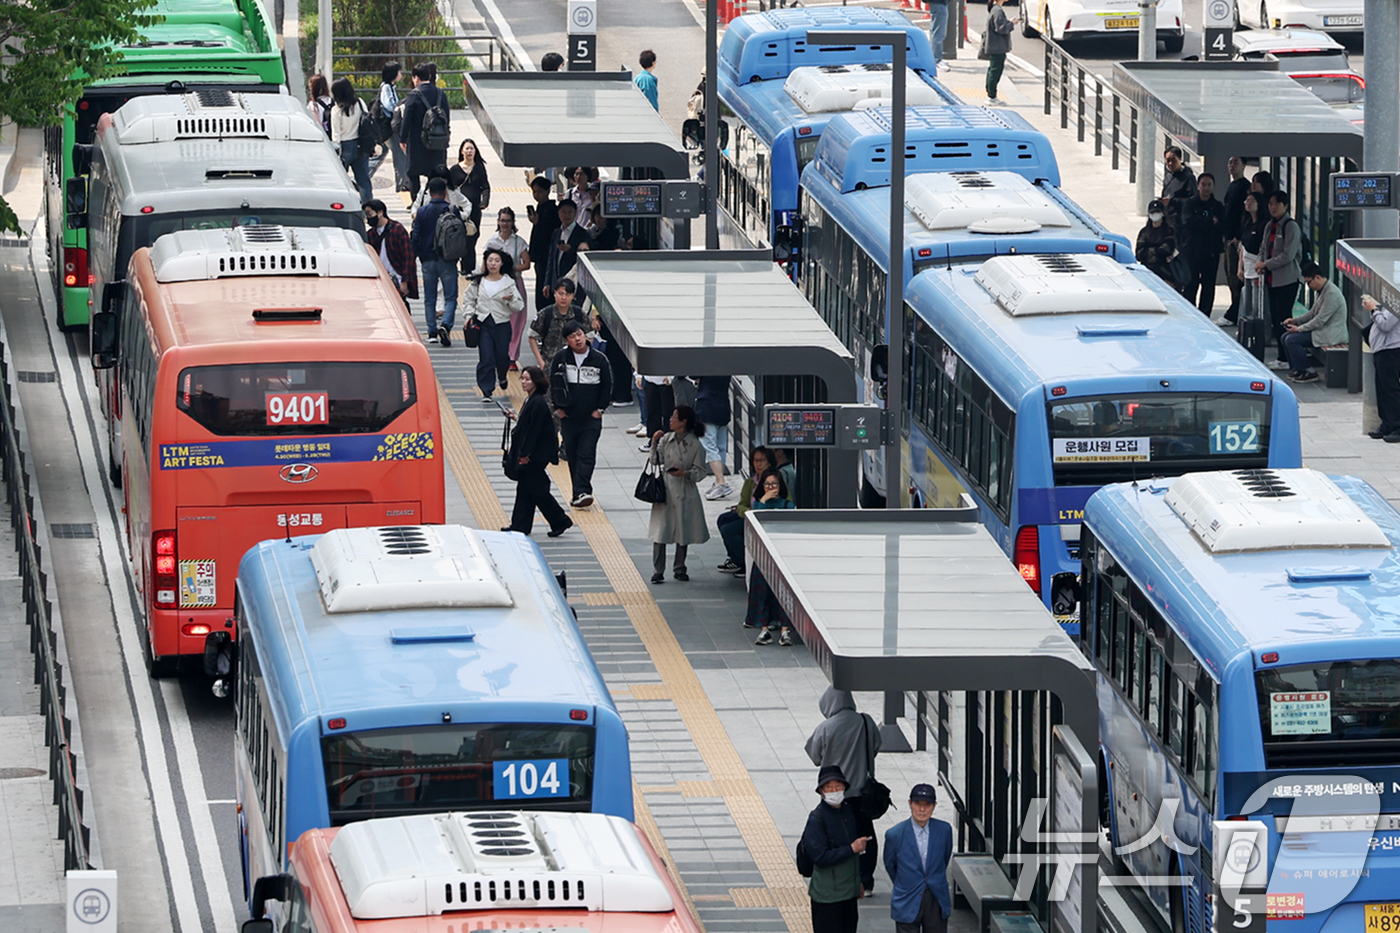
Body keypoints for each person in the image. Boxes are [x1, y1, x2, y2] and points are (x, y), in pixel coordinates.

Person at [806, 688, 882, 894]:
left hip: (835, 792)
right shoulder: (866, 721)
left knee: (837, 835)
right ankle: (866, 881)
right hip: (862, 793)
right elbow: (876, 746)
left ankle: (843, 877)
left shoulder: (825, 728)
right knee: (866, 835)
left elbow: (814, 757)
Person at [504, 366, 572, 537]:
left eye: (527, 379)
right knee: (527, 488)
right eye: (522, 379)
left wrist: (524, 454)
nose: (523, 382)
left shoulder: (538, 402)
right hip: (534, 453)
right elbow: (528, 424)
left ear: (536, 381)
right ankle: (521, 525)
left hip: (536, 454)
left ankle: (560, 520)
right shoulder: (532, 400)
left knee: (536, 489)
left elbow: (533, 431)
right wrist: (515, 417)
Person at [550, 321, 611, 508]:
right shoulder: (561, 358)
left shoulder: (599, 359)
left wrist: (600, 410)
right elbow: (553, 383)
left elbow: (607, 385)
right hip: (568, 417)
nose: (577, 339)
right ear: (566, 340)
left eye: (579, 334)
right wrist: (558, 408)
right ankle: (578, 493)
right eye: (572, 336)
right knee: (572, 455)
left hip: (590, 419)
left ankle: (583, 491)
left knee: (586, 454)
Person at [647, 405, 709, 584]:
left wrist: (685, 473)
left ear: (683, 422)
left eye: (674, 417)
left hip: (684, 490)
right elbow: (655, 460)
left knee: (683, 530)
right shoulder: (667, 439)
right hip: (665, 489)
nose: (670, 420)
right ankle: (658, 570)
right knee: (660, 531)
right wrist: (654, 443)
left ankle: (680, 567)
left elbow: (701, 471)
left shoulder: (695, 444)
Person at [801, 766, 867, 933]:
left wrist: (857, 882)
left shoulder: (848, 812)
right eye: (829, 787)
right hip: (827, 896)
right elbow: (820, 857)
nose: (834, 791)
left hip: (848, 893)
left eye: (838, 786)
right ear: (821, 791)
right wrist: (851, 849)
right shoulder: (817, 819)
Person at [884, 785, 954, 933]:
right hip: (907, 897)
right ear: (910, 803)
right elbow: (890, 865)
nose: (922, 809)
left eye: (927, 805)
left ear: (934, 806)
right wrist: (905, 882)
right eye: (918, 804)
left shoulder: (944, 830)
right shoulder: (895, 834)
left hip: (936, 897)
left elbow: (944, 858)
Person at [465, 248, 524, 399]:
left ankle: (502, 375)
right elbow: (468, 299)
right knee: (486, 358)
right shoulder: (478, 282)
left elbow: (519, 306)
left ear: (502, 263)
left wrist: (511, 300)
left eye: (497, 261)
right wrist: (468, 315)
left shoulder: (508, 283)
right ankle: (486, 390)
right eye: (490, 260)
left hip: (502, 324)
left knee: (502, 356)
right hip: (483, 323)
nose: (493, 264)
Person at [747, 470, 798, 646]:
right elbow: (756, 519)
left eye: (774, 484)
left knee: (784, 592)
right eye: (767, 484)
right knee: (762, 592)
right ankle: (764, 629)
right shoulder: (759, 504)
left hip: (782, 554)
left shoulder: (787, 505)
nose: (771, 487)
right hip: (763, 555)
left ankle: (785, 630)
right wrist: (763, 500)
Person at [1255, 189, 1303, 371]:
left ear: (1285, 205)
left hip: (1287, 280)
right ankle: (1282, 356)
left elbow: (1288, 255)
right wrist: (1260, 262)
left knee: (1284, 317)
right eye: (1270, 204)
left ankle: (1286, 356)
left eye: (1276, 203)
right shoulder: (1270, 225)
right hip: (1271, 279)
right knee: (1275, 317)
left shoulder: (1291, 226)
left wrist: (1266, 264)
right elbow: (1263, 247)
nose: (1272, 207)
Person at [1282, 261, 1347, 383]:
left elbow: (1320, 320)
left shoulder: (1332, 294)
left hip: (1330, 334)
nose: (1309, 286)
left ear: (1317, 277)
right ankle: (1299, 369)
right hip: (1322, 330)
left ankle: (1309, 371)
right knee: (1285, 337)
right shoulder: (1322, 290)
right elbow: (1312, 313)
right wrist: (1295, 321)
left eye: (1308, 282)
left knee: (1291, 340)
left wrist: (1299, 329)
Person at [717, 446, 778, 576]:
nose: (758, 464)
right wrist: (745, 510)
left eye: (762, 460)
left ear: (769, 462)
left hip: (764, 518)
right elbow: (742, 504)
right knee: (723, 519)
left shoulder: (775, 481)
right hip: (749, 515)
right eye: (755, 461)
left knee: (729, 530)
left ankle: (744, 562)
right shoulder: (750, 482)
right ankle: (734, 559)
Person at [412, 176, 457, 346]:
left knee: (429, 297)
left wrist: (414, 256)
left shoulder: (422, 211)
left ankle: (432, 331)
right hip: (448, 259)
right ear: (445, 192)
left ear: (430, 192)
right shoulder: (451, 210)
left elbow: (416, 236)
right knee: (450, 296)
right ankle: (445, 325)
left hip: (427, 259)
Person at [485, 207, 531, 365]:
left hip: (514, 283)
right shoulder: (492, 241)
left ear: (513, 222)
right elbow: (485, 263)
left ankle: (512, 356)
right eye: (502, 220)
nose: (505, 224)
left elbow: (527, 264)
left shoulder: (519, 242)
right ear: (498, 221)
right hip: (496, 283)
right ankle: (497, 352)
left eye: (508, 221)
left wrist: (512, 269)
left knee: (517, 321)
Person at [401, 61, 450, 201]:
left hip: (417, 143)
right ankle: (431, 199)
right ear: (429, 76)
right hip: (437, 142)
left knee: (413, 173)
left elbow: (407, 120)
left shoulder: (413, 95)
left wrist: (403, 139)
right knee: (434, 173)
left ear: (415, 78)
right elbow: (447, 118)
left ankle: (417, 200)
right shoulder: (441, 94)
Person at [1177, 172, 1224, 315]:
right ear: (1198, 186)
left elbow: (1221, 225)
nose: (1206, 188)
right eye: (1203, 185)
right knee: (1191, 285)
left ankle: (1205, 315)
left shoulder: (1217, 206)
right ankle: (1190, 314)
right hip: (1192, 251)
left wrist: (1202, 222)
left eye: (1209, 185)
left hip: (1211, 253)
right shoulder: (1189, 203)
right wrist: (1209, 221)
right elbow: (1188, 222)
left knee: (1208, 286)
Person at [364, 199, 416, 309]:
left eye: (370, 214)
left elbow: (408, 256)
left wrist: (405, 281)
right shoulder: (370, 235)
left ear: (380, 212)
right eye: (367, 215)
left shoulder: (397, 230)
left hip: (397, 278)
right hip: (379, 279)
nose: (369, 218)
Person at [329, 78, 373, 206]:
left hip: (344, 146)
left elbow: (336, 135)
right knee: (363, 180)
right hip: (361, 144)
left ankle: (343, 204)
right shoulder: (360, 103)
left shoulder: (336, 110)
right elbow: (367, 119)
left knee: (341, 180)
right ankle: (368, 208)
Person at [449, 138, 489, 275]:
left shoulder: (479, 168)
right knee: (459, 237)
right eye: (467, 148)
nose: (469, 151)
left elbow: (485, 186)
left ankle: (468, 267)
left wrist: (484, 201)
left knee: (473, 236)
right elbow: (449, 190)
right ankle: (462, 265)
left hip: (475, 211)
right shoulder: (455, 170)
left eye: (472, 148)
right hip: (459, 211)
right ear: (462, 151)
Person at [1364, 295, 1400, 441]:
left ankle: (1397, 426)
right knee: (1382, 389)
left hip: (1390, 349)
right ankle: (1387, 424)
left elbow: (1386, 324)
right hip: (1383, 349)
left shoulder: (1397, 302)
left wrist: (1373, 310)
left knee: (1390, 389)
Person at [531, 280, 588, 371]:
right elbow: (532, 336)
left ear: (573, 296)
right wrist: (541, 362)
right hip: (550, 366)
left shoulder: (579, 314)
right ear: (555, 293)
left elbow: (590, 336)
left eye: (567, 294)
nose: (564, 298)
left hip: (575, 366)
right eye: (561, 294)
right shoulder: (545, 314)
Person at [369, 62, 408, 192]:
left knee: (381, 153)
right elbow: (389, 105)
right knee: (400, 155)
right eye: (399, 72)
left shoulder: (388, 87)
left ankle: (362, 177)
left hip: (386, 128)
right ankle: (402, 184)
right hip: (388, 127)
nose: (401, 74)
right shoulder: (386, 88)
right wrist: (399, 108)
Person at [1220, 156, 1251, 324]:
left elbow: (1243, 215)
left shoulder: (1245, 187)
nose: (1232, 165)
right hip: (1228, 237)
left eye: (1236, 162)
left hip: (1235, 239)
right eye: (1230, 162)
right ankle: (1235, 309)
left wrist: (1238, 237)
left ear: (1244, 166)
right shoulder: (1232, 186)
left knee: (1236, 275)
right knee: (1229, 273)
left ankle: (1237, 312)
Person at [693, 375, 733, 499]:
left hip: (706, 406)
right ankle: (718, 481)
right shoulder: (726, 366)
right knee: (721, 447)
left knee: (709, 447)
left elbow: (693, 375)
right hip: (723, 405)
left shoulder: (705, 365)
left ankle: (721, 482)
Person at [543, 199, 590, 301]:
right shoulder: (557, 232)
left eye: (570, 212)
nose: (566, 215)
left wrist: (570, 250)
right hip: (556, 281)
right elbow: (551, 259)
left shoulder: (582, 234)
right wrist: (547, 282)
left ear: (575, 213)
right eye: (563, 212)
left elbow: (585, 257)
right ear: (559, 213)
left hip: (574, 281)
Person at [527, 177, 562, 310]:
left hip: (546, 255)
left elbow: (549, 231)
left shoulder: (551, 209)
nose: (537, 195)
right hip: (540, 256)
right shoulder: (541, 207)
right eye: (534, 192)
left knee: (544, 284)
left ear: (547, 191)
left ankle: (544, 310)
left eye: (540, 191)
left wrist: (538, 223)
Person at [1236, 191, 1267, 323]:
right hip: (1247, 269)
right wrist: (1240, 267)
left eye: (1252, 201)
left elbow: (1263, 248)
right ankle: (1247, 329)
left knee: (1257, 305)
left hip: (1257, 268)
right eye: (1247, 201)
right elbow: (1242, 246)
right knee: (1246, 303)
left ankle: (1258, 330)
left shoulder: (1264, 225)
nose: (1248, 203)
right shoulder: (1247, 223)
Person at [1134, 198, 1177, 288]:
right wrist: (1156, 252)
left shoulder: (1169, 231)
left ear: (1163, 213)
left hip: (1165, 273)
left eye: (1157, 212)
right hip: (1146, 272)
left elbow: (1167, 250)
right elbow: (1139, 254)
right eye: (1153, 212)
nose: (1155, 214)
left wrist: (1149, 252)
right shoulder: (1144, 232)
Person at [983, 0, 1014, 105]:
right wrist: (1011, 24)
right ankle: (991, 96)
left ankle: (991, 95)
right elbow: (1001, 28)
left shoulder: (995, 9)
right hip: (997, 46)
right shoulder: (997, 11)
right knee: (995, 71)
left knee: (993, 70)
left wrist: (1009, 22)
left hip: (995, 46)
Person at [1160, 147, 1196, 234]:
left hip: (1182, 224)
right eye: (1168, 160)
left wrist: (1172, 201)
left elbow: (1193, 201)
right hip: (1168, 222)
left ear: (1180, 159)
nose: (1170, 163)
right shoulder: (1168, 177)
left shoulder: (1188, 178)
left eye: (1173, 160)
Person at [926, 0, 949, 70]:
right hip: (939, 3)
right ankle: (937, 59)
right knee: (938, 33)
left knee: (935, 30)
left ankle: (935, 58)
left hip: (936, 3)